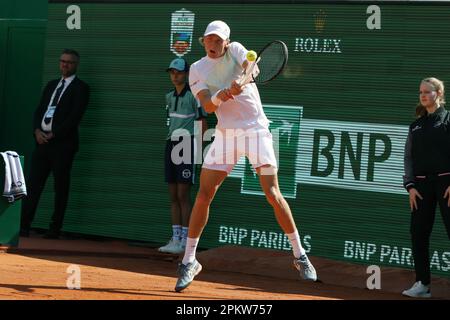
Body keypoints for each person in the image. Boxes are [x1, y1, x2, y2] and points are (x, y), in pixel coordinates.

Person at [174, 20, 317, 292]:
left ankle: (299, 256)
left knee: (272, 192)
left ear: (226, 42)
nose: (214, 45)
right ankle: (189, 260)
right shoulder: (196, 69)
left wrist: (239, 82)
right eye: (209, 40)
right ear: (203, 41)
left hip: (256, 132)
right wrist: (223, 95)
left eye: (219, 41)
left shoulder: (238, 50)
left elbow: (252, 68)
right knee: (204, 194)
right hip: (226, 135)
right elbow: (206, 103)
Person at [20, 49, 90, 239]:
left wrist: (54, 134)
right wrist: (36, 131)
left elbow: (74, 117)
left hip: (63, 145)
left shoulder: (81, 88)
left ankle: (54, 228)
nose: (65, 65)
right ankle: (24, 225)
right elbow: (39, 110)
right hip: (42, 143)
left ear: (76, 65)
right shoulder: (52, 85)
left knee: (60, 187)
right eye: (62, 61)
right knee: (34, 184)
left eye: (69, 62)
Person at [402, 77, 450, 298]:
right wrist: (410, 186)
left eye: (428, 92)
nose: (423, 95)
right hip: (420, 186)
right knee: (418, 233)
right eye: (420, 92)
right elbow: (408, 158)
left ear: (439, 94)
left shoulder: (448, 119)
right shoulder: (416, 125)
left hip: (446, 183)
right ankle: (422, 284)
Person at [159, 58, 207, 254]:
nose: (174, 75)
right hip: (171, 144)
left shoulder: (194, 96)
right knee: (173, 195)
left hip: (187, 145)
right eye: (172, 72)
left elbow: (203, 121)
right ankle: (175, 238)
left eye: (178, 72)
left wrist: (199, 149)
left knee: (183, 195)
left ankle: (186, 241)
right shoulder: (169, 96)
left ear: (186, 74)